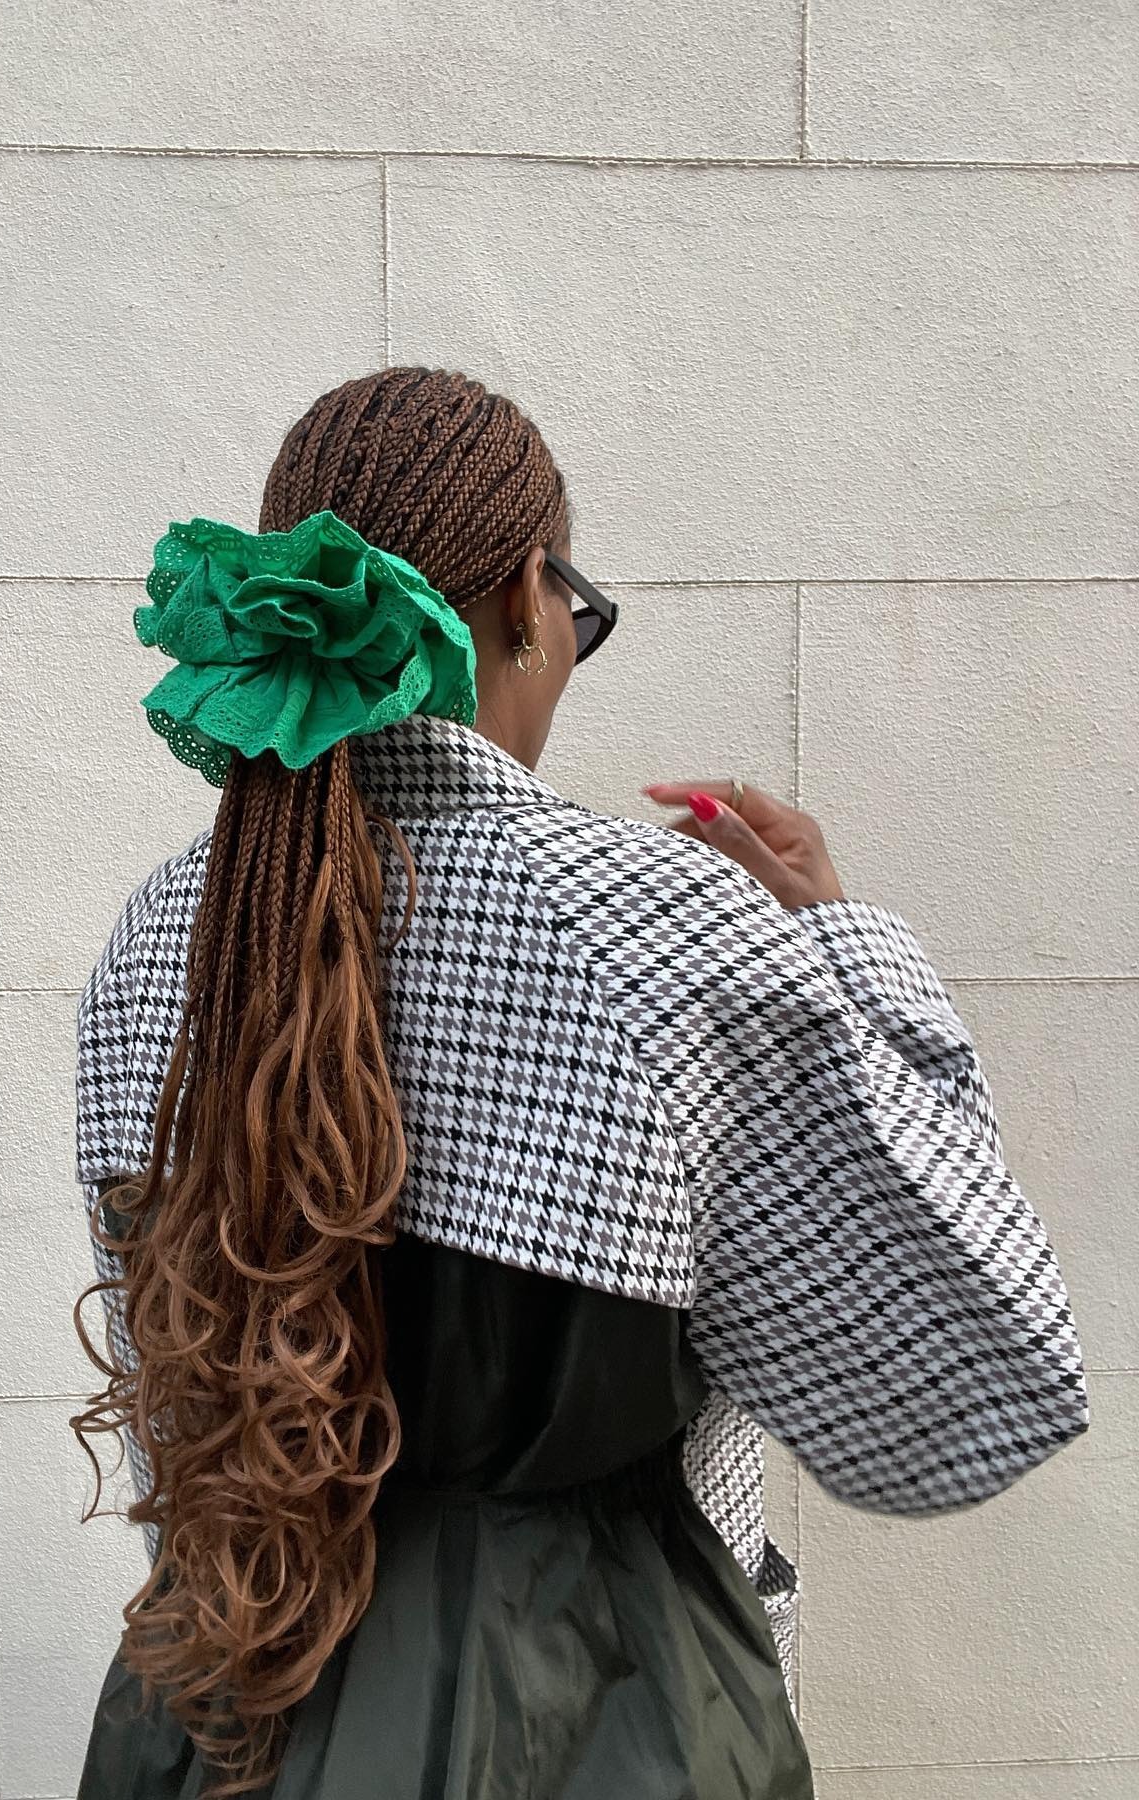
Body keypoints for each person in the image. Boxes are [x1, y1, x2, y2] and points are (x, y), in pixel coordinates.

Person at [69, 366, 1088, 1800]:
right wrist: (848, 958)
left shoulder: (163, 938)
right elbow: (958, 1377)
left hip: (221, 1710)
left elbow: (184, 1396)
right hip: (586, 1719)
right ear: (525, 607)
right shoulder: (652, 926)